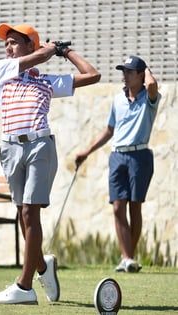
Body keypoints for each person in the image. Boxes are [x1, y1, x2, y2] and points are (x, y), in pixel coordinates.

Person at [0, 24, 101, 305]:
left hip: (39, 145)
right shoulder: (2, 70)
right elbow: (35, 59)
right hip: (10, 147)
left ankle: (24, 287)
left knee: (29, 212)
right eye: (7, 43)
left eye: (14, 42)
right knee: (24, 216)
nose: (8, 48)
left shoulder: (46, 81)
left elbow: (93, 75)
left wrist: (65, 51)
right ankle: (42, 267)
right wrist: (47, 51)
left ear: (30, 46)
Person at [75, 56, 161, 273]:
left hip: (140, 156)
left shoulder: (150, 98)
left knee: (135, 206)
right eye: (124, 71)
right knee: (117, 207)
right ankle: (127, 258)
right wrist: (87, 151)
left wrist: (146, 69)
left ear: (141, 75)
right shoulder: (118, 100)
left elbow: (151, 84)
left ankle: (129, 258)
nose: (125, 75)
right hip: (117, 156)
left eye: (130, 71)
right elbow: (109, 130)